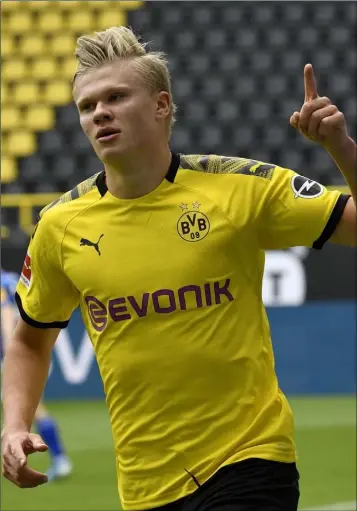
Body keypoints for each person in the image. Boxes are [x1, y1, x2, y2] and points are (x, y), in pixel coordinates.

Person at [1, 26, 356, 511]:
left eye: (116, 97)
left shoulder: (240, 188)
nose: (99, 112)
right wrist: (16, 424)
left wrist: (340, 146)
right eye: (87, 106)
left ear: (161, 105)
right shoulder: (60, 226)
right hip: (145, 485)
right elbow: (29, 338)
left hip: (250, 459)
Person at [1, 269, 73, 482]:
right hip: (29, 350)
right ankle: (59, 458)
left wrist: (10, 356)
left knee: (32, 409)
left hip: (20, 357)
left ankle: (60, 459)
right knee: (30, 409)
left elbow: (6, 319)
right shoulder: (13, 279)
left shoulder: (2, 284)